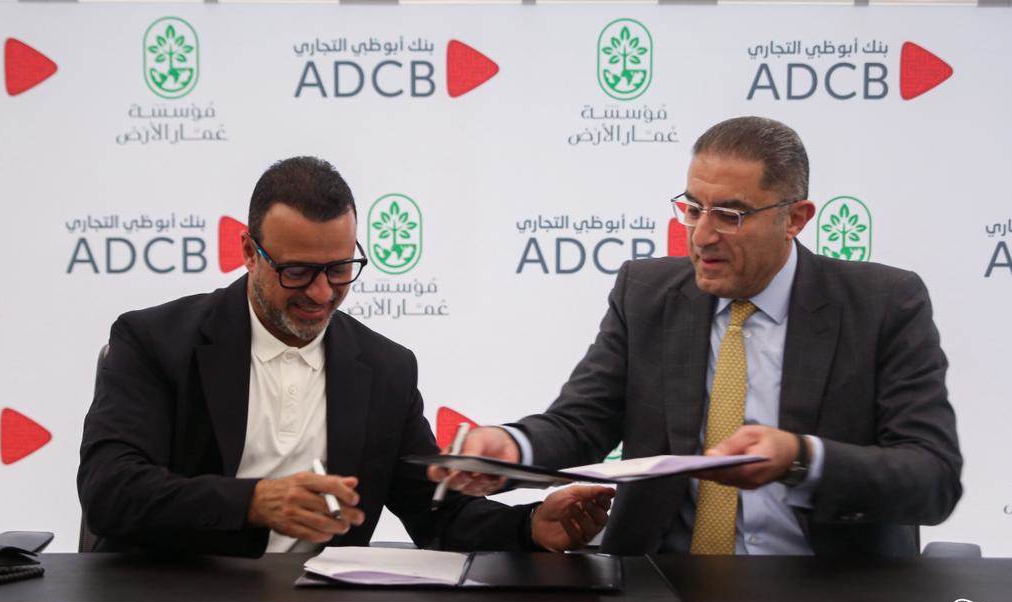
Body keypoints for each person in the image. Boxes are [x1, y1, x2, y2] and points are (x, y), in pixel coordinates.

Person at [432, 117, 962, 558]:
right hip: (663, 585)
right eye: (692, 209)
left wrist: (802, 457)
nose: (702, 236)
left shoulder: (882, 304)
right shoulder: (647, 294)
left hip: (827, 592)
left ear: (795, 219)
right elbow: (582, 422)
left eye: (730, 215)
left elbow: (932, 478)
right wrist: (510, 448)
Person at [78, 156, 613, 557]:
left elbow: (435, 514)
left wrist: (529, 526)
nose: (321, 294)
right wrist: (254, 502)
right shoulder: (155, 341)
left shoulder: (385, 369)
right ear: (248, 253)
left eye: (339, 269)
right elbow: (110, 490)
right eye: (296, 272)